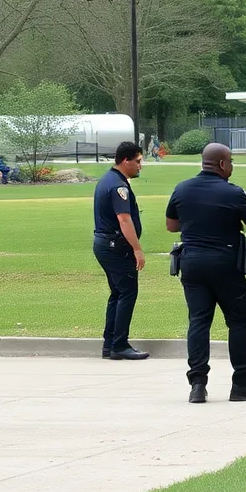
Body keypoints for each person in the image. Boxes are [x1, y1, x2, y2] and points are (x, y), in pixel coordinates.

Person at [166, 143, 246, 404]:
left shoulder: (182, 188)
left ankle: (197, 384)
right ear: (223, 164)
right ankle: (242, 383)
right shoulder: (233, 192)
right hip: (225, 264)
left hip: (192, 264)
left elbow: (172, 225)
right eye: (232, 162)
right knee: (238, 320)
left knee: (199, 322)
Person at [93, 142, 148, 361]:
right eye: (138, 161)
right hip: (116, 248)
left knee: (117, 293)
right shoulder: (119, 187)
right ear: (126, 160)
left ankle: (110, 342)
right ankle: (119, 344)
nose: (140, 166)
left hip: (105, 244)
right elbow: (124, 220)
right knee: (127, 293)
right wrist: (137, 249)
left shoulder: (108, 179)